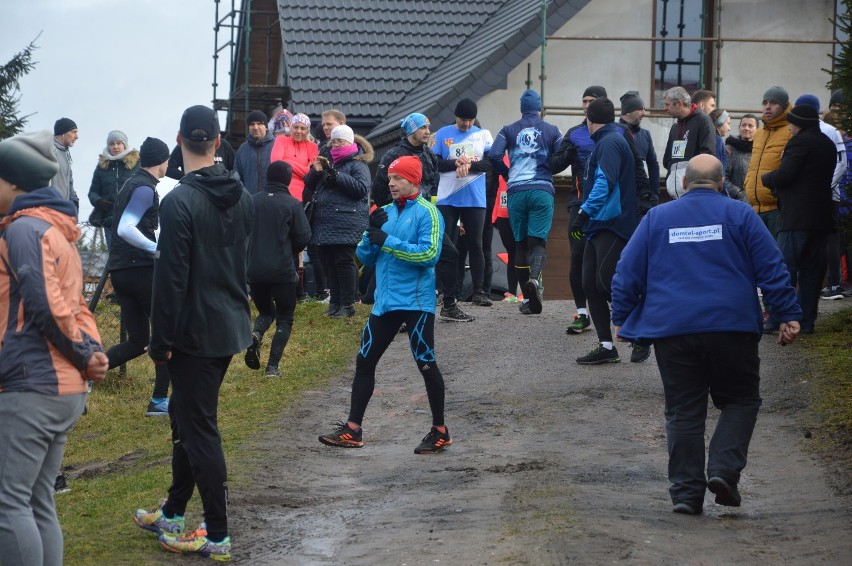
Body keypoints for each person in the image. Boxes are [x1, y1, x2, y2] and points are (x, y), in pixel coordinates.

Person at [610, 154, 802, 515]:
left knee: (683, 411)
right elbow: (772, 266)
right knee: (740, 400)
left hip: (673, 330)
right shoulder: (741, 215)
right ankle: (724, 471)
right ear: (720, 183)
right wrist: (788, 313)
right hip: (731, 327)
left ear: (683, 184)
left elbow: (626, 271)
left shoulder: (657, 218)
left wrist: (621, 316)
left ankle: (685, 494)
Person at [132, 105, 253, 561]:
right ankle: (174, 510)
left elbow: (171, 280)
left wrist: (159, 341)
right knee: (185, 417)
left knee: (199, 427)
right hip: (228, 324)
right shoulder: (242, 194)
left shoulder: (178, 200)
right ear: (219, 142)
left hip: (193, 332)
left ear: (180, 140)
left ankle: (217, 534)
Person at [0, 130, 108, 565]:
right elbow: (78, 306)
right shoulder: (56, 232)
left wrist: (86, 356)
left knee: (8, 503)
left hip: (32, 384)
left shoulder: (25, 230)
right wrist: (92, 352)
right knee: (38, 499)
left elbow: (45, 303)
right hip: (62, 387)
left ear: (12, 184)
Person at [319, 155, 451, 454]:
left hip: (417, 303)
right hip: (386, 304)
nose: (390, 183)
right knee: (364, 362)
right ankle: (353, 429)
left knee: (426, 365)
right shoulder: (385, 212)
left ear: (413, 181)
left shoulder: (429, 213)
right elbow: (365, 259)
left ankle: (440, 430)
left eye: (397, 178)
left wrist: (387, 240)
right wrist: (369, 235)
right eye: (390, 178)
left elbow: (429, 255)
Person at [372, 112, 473, 322]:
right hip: (402, 216)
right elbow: (379, 188)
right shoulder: (394, 154)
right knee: (402, 260)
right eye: (422, 128)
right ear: (411, 130)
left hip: (426, 215)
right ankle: (395, 313)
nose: (427, 131)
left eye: (428, 127)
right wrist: (390, 215)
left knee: (450, 254)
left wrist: (447, 218)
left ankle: (449, 305)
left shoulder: (428, 154)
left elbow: (435, 187)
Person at [106, 137, 172, 416]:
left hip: (120, 271)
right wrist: (155, 248)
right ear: (160, 160)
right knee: (166, 335)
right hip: (141, 270)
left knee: (137, 342)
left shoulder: (130, 184)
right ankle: (158, 401)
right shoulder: (144, 188)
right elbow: (125, 228)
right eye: (167, 159)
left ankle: (81, 373)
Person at [569, 98, 638, 364]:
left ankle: (643, 330)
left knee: (606, 283)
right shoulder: (607, 140)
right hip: (598, 224)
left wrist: (583, 213)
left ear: (590, 120)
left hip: (612, 222)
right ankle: (606, 346)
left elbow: (604, 184)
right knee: (590, 285)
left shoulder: (610, 142)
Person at [762, 104, 836, 334]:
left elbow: (785, 175)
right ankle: (806, 322)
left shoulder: (800, 142)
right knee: (812, 272)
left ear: (799, 123)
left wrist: (765, 178)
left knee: (785, 269)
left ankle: (777, 318)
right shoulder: (828, 143)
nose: (789, 127)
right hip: (821, 218)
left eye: (791, 122)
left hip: (796, 217)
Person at [489, 89, 563, 315]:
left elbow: (493, 155)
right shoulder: (552, 130)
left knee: (520, 245)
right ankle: (534, 279)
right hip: (542, 190)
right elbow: (563, 156)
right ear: (539, 108)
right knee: (538, 243)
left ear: (522, 108)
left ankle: (528, 300)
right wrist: (549, 170)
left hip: (517, 192)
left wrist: (507, 173)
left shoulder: (508, 130)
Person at [244, 161, 311, 377]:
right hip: (282, 270)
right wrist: (289, 250)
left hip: (254, 271)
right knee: (284, 317)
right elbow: (303, 237)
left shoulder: (251, 202)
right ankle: (272, 367)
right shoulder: (292, 204)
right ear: (288, 179)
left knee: (265, 312)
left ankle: (256, 333)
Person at [551, 85, 606, 332]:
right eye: (583, 101)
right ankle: (582, 313)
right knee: (578, 258)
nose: (586, 105)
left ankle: (616, 313)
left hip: (608, 208)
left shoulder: (617, 133)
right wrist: (566, 154)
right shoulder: (574, 133)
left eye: (591, 101)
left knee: (608, 261)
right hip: (578, 204)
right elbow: (554, 165)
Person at [303, 124, 372, 318]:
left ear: (350, 142)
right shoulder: (327, 161)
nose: (336, 144)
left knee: (344, 261)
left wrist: (336, 175)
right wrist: (316, 171)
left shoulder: (358, 163)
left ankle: (348, 304)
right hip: (326, 222)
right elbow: (309, 184)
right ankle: (335, 303)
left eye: (340, 141)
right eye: (333, 141)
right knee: (329, 263)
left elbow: (361, 189)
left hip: (347, 221)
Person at [432, 98, 494, 306]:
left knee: (476, 244)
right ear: (455, 117)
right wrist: (455, 162)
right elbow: (435, 163)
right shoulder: (442, 133)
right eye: (462, 120)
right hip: (448, 198)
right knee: (448, 245)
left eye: (470, 120)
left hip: (475, 198)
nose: (466, 124)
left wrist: (469, 165)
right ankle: (446, 291)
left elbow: (489, 163)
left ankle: (479, 291)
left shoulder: (483, 135)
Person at [793, 94, 849, 300]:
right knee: (813, 242)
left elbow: (842, 163)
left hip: (827, 196)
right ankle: (816, 286)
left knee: (829, 241)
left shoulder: (829, 130)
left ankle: (834, 284)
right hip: (807, 197)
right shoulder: (798, 130)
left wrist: (825, 185)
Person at [743, 86, 792, 238]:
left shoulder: (791, 131)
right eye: (765, 103)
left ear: (784, 106)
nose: (768, 107)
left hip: (777, 209)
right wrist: (747, 183)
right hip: (755, 208)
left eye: (773, 103)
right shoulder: (759, 133)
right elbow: (754, 165)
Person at [663, 86, 716, 200]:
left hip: (696, 194)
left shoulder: (703, 121)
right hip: (674, 195)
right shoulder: (675, 127)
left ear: (679, 103)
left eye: (667, 105)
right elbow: (667, 159)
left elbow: (707, 154)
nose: (665, 108)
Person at [88, 130, 139, 248]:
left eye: (119, 143)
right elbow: (93, 192)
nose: (115, 147)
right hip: (110, 221)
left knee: (135, 258)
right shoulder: (102, 167)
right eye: (112, 144)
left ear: (124, 144)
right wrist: (99, 201)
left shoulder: (137, 164)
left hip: (133, 220)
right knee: (114, 258)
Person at [270, 112, 318, 202]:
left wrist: (287, 161)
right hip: (281, 194)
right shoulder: (281, 140)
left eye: (303, 128)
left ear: (308, 131)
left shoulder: (312, 146)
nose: (298, 131)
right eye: (296, 127)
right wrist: (304, 169)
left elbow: (312, 173)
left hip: (303, 197)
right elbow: (276, 166)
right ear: (291, 128)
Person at [233, 110, 275, 195]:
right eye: (252, 124)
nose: (255, 127)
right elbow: (236, 178)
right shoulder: (242, 150)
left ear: (266, 126)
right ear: (248, 128)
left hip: (272, 202)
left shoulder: (277, 146)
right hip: (250, 202)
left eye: (259, 123)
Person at [708, 108, 746, 201]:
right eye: (728, 123)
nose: (729, 129)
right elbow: (719, 174)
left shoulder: (711, 140)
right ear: (719, 123)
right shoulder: (717, 140)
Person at [165, 137, 235, 181]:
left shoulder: (223, 145)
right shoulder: (185, 144)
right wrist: (188, 177)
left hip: (219, 192)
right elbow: (168, 169)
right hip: (192, 190)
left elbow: (235, 169)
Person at [724, 113, 759, 195]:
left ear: (757, 129)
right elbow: (723, 178)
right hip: (735, 200)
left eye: (750, 126)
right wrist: (738, 194)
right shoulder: (729, 149)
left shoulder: (761, 150)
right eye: (743, 125)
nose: (746, 128)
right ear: (739, 127)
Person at [50, 117, 80, 210]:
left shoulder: (65, 154)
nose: (77, 136)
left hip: (63, 211)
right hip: (50, 210)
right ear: (63, 133)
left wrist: (75, 202)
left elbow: (69, 182)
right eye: (73, 132)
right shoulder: (49, 151)